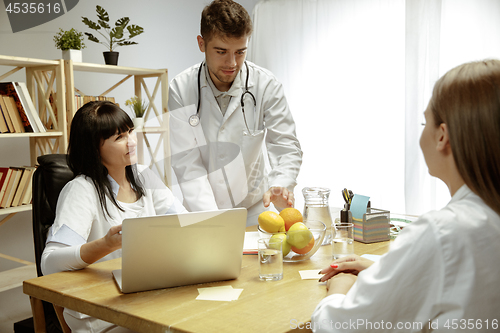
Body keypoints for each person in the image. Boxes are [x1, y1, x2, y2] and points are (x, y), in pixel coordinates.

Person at [312, 59, 500, 332]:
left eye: (425, 122)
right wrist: (388, 268)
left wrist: (340, 288)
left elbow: (342, 328)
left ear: (442, 136)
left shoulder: (442, 231)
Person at [41, 101, 186, 333]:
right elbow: (50, 263)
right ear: (93, 149)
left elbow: (184, 224)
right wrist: (105, 245)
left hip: (147, 300)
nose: (131, 141)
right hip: (103, 314)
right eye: (119, 137)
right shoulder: (81, 190)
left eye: (130, 131)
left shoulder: (142, 175)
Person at [168, 0, 302, 226]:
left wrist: (281, 183)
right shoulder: (181, 89)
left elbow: (286, 145)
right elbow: (187, 163)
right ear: (201, 43)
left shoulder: (266, 85)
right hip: (203, 211)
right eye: (221, 51)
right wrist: (212, 219)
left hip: (256, 209)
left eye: (240, 52)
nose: (232, 63)